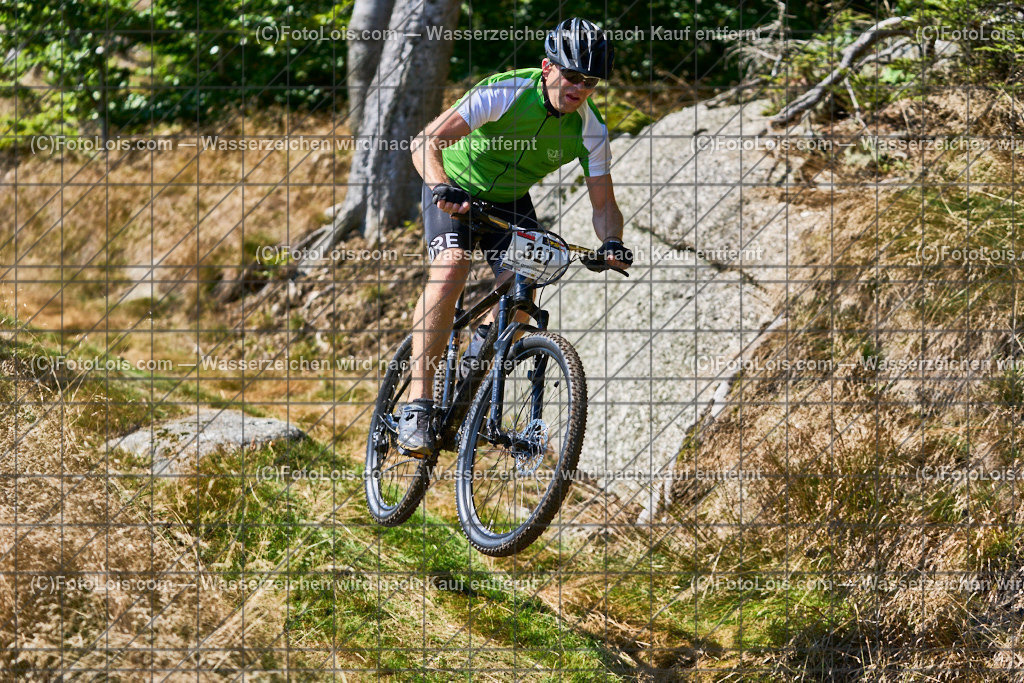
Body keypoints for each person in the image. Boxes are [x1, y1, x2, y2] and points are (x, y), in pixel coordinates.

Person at [398, 17, 633, 455]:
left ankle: (476, 359)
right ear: (547, 68)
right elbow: (424, 143)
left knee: (527, 285)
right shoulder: (506, 92)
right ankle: (418, 403)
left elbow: (604, 206)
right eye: (572, 76)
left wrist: (611, 244)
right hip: (456, 187)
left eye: (591, 82)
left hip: (508, 201)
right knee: (451, 267)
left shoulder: (591, 128)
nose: (580, 88)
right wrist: (438, 186)